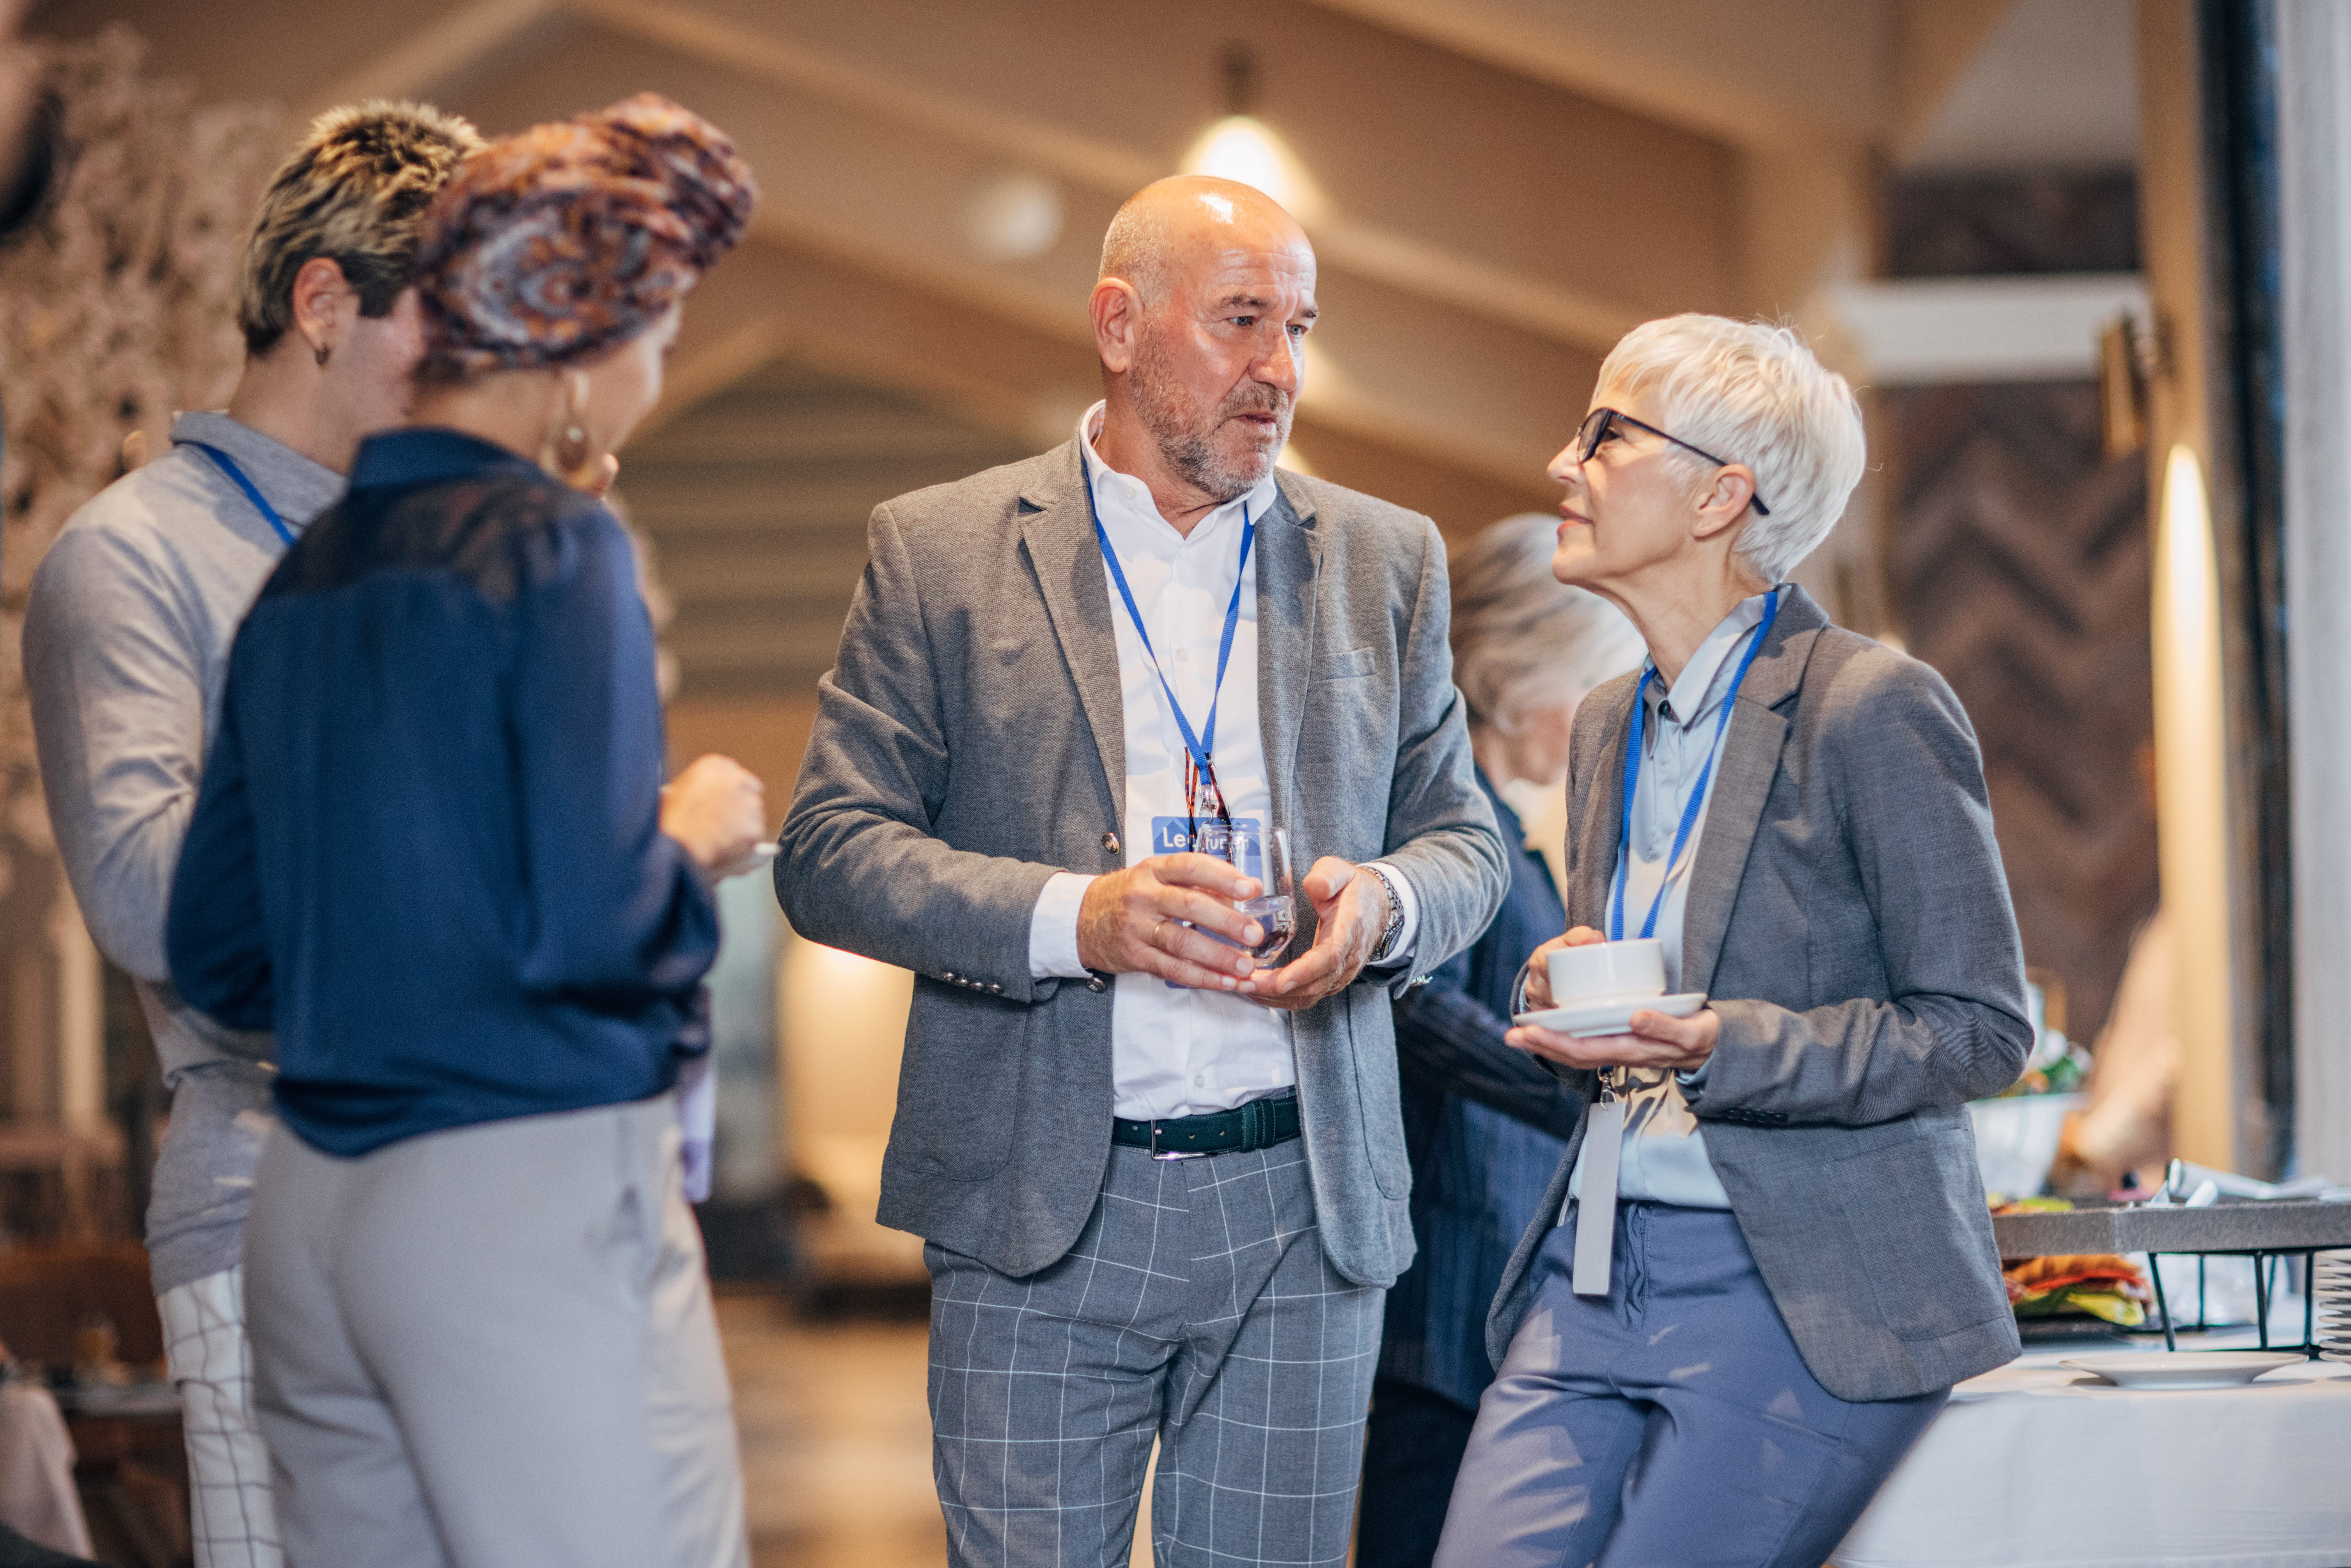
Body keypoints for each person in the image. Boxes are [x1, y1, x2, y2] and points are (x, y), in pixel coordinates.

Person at [776, 174, 1508, 1568]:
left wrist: (1391, 904)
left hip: (1308, 1210)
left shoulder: (1385, 558)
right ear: (1119, 325)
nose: (1280, 372)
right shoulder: (938, 552)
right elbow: (828, 854)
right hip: (1039, 1209)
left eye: (1297, 328)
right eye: (1242, 322)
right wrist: (1079, 920)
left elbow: (1462, 840)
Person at [164, 94, 762, 1568]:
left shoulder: (305, 577)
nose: (649, 382)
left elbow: (219, 951)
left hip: (310, 1212)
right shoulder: (557, 547)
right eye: (657, 345)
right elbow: (591, 925)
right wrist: (690, 843)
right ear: (576, 352)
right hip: (512, 1201)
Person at [1434, 315, 2033, 1567]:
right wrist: (1580, 1001)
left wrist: (1724, 1041)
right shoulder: (1608, 722)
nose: (1562, 461)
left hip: (1795, 1288)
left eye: (1605, 434)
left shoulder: (1871, 706)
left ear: (1720, 495)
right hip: (1591, 1263)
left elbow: (1980, 1029)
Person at [23, 100, 482, 1568]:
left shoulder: (450, 551)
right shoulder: (132, 557)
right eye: (451, 331)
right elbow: (158, 909)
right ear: (326, 302)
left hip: (488, 1201)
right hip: (276, 1208)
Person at [1358, 514, 1639, 1568]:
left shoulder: (1500, 824)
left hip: (1486, 1282)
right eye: (1595, 684)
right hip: (1450, 1281)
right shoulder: (1446, 821)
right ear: (1519, 681)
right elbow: (1402, 999)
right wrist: (1570, 1085)